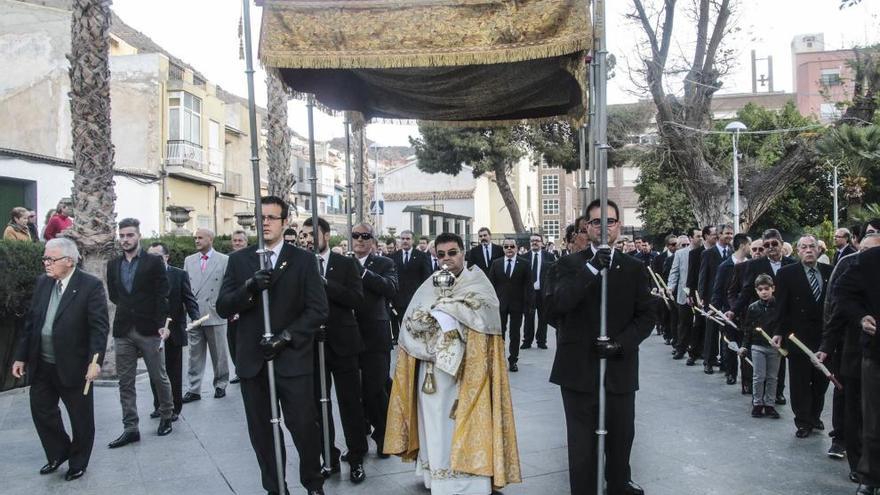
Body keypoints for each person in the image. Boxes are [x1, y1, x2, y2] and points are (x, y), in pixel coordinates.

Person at [384, 232, 521, 494]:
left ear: (463, 253)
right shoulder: (429, 284)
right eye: (441, 255)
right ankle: (437, 475)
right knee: (434, 422)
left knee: (459, 421)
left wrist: (450, 311)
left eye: (452, 253)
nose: (447, 259)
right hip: (432, 369)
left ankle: (469, 479)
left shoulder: (479, 283)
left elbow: (486, 318)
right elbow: (412, 322)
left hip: (468, 371)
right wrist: (430, 323)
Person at [216, 196, 326, 495]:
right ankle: (276, 488)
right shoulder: (240, 260)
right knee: (263, 433)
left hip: (291, 359)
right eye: (260, 217)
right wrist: (249, 287)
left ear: (285, 221)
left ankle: (313, 484)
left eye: (272, 217)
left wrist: (286, 337)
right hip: (254, 361)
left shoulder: (302, 260)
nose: (265, 222)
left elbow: (318, 310)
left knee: (304, 427)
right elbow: (224, 306)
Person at [551, 199, 654, 495]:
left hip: (619, 369)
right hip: (578, 372)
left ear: (619, 226)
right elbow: (556, 306)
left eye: (610, 221)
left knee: (621, 441)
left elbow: (646, 315)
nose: (604, 227)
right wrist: (592, 270)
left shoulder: (634, 268)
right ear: (587, 227)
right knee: (582, 448)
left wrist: (620, 344)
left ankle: (618, 486)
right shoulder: (568, 264)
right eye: (597, 222)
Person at [11, 238, 109, 481]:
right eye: (45, 258)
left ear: (68, 260)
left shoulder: (90, 285)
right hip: (42, 363)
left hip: (74, 365)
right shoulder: (44, 283)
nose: (46, 263)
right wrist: (21, 357)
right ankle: (58, 453)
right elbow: (32, 322)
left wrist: (95, 361)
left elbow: (98, 328)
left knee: (80, 418)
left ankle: (78, 461)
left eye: (50, 259)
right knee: (41, 411)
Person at [302, 216, 368, 482]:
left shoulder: (345, 263)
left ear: (326, 235)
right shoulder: (300, 264)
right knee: (318, 405)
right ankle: (328, 455)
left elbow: (356, 299)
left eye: (311, 234)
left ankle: (356, 457)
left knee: (350, 402)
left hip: (343, 343)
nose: (306, 239)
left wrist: (326, 283)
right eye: (303, 235)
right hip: (312, 345)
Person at [106, 218, 174, 448]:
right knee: (125, 381)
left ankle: (166, 415)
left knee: (158, 376)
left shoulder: (153, 262)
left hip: (149, 329)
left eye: (129, 235)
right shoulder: (113, 264)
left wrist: (162, 323)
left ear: (138, 236)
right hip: (123, 329)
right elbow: (115, 294)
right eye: (122, 236)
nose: (125, 239)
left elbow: (161, 294)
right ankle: (130, 427)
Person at [819, 233, 880, 477]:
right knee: (862, 414)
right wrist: (826, 346)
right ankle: (864, 471)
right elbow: (837, 304)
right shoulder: (861, 264)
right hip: (863, 352)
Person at [771, 235, 832, 438]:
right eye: (804, 247)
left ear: (819, 250)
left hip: (824, 337)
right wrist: (779, 331)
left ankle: (815, 416)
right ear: (798, 251)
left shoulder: (829, 272)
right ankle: (803, 421)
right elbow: (781, 306)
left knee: (821, 380)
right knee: (800, 381)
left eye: (812, 246)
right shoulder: (786, 273)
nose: (808, 250)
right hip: (797, 336)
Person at [350, 222, 397, 459]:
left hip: (376, 337)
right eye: (355, 235)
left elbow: (390, 288)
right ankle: (357, 443)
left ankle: (383, 438)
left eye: (364, 236)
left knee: (376, 389)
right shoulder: (343, 263)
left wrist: (364, 273)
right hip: (347, 336)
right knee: (352, 393)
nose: (359, 239)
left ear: (372, 241)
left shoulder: (384, 263)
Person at [733, 229, 795, 405]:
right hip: (763, 319)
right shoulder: (755, 265)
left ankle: (778, 392)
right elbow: (746, 291)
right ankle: (759, 395)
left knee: (780, 355)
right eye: (766, 245)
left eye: (774, 244)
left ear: (781, 244)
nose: (771, 248)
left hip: (785, 319)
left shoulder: (791, 264)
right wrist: (734, 310)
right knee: (761, 359)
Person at [147, 242, 200, 421]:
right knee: (155, 372)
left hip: (174, 330)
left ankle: (175, 408)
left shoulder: (179, 274)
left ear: (166, 257)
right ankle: (159, 406)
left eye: (157, 256)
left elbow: (189, 298)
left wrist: (196, 316)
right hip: (152, 332)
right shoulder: (145, 277)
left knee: (173, 372)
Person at [182, 228, 230, 402]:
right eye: (195, 238)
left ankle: (220, 384)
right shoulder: (189, 260)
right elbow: (185, 287)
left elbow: (227, 287)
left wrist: (226, 308)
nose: (196, 241)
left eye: (200, 238)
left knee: (219, 354)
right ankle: (193, 389)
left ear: (210, 239)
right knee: (194, 354)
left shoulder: (224, 260)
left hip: (214, 313)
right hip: (194, 314)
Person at [741, 274, 782, 419]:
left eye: (766, 289)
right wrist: (744, 346)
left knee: (772, 377)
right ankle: (757, 403)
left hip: (774, 348)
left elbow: (781, 325)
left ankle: (770, 404)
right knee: (759, 376)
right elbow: (748, 328)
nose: (764, 292)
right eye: (760, 289)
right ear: (756, 291)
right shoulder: (753, 308)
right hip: (757, 346)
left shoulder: (779, 306)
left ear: (773, 289)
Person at [713, 233, 752, 387]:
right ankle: (731, 373)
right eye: (750, 244)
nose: (751, 248)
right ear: (743, 245)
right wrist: (716, 308)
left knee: (746, 345)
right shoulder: (725, 265)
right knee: (730, 344)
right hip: (728, 311)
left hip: (747, 313)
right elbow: (718, 289)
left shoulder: (751, 264)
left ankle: (747, 380)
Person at [488, 238, 532, 372]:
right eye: (506, 246)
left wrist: (529, 305)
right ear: (503, 249)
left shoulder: (524, 264)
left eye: (512, 246)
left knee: (515, 334)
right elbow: (491, 285)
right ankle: (499, 360)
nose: (509, 249)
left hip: (517, 305)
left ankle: (513, 360)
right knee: (499, 333)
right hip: (500, 305)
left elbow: (528, 286)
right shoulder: (496, 263)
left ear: (516, 248)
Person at [697, 224, 732, 374]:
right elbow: (703, 277)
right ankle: (708, 361)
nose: (729, 236)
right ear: (719, 235)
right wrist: (702, 297)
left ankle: (725, 362)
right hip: (712, 299)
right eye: (726, 233)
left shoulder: (732, 252)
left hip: (729, 299)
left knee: (726, 332)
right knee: (711, 331)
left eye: (731, 233)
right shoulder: (708, 254)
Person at [390, 230, 432, 345]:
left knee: (415, 329)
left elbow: (426, 278)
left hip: (415, 299)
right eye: (402, 238)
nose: (405, 241)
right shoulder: (394, 257)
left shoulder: (421, 256)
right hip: (398, 299)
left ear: (413, 240)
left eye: (407, 239)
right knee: (402, 326)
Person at [521, 233, 557, 350]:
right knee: (528, 317)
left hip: (543, 292)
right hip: (529, 292)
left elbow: (553, 275)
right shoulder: (524, 257)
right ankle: (527, 341)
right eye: (532, 241)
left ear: (542, 243)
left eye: (537, 240)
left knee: (543, 318)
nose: (534, 242)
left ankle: (541, 341)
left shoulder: (549, 257)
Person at [668, 234, 695, 362]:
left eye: (686, 244)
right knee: (684, 323)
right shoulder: (679, 254)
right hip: (683, 293)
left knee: (698, 324)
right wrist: (670, 287)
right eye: (682, 245)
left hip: (697, 294)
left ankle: (696, 350)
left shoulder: (701, 252)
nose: (685, 247)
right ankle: (681, 348)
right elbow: (674, 271)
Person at [228, 229, 249, 385]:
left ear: (246, 242)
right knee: (233, 342)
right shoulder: (227, 259)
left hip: (249, 307)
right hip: (232, 307)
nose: (237, 243)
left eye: (240, 240)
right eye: (235, 240)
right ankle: (239, 370)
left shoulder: (253, 258)